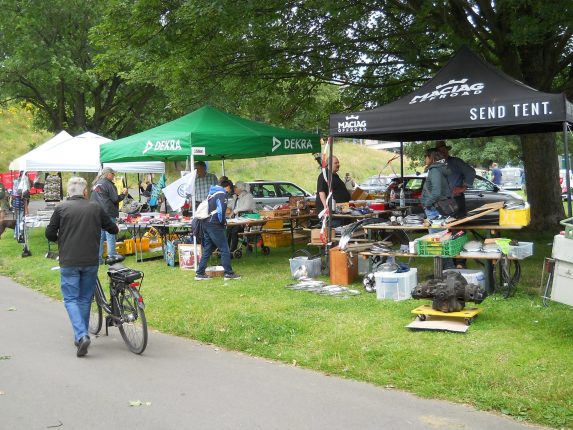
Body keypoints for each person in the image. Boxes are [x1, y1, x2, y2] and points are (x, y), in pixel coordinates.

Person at [45, 176, 119, 357]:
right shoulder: (95, 207)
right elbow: (113, 229)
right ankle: (81, 336)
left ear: (68, 192)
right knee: (85, 299)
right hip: (90, 261)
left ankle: (82, 335)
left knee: (71, 299)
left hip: (69, 260)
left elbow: (49, 233)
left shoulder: (61, 208)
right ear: (85, 192)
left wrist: (61, 239)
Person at [194, 185, 241, 281]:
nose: (230, 191)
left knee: (208, 249)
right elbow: (221, 211)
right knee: (224, 248)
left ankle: (199, 273)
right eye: (230, 189)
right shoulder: (222, 195)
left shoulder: (212, 194)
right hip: (215, 225)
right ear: (227, 187)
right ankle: (228, 273)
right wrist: (223, 222)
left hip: (206, 223)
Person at [421, 148, 455, 270]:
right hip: (438, 208)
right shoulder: (440, 169)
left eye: (426, 156)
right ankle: (447, 271)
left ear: (431, 157)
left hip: (434, 209)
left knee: (437, 243)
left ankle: (444, 272)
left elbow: (436, 192)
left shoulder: (435, 170)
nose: (425, 159)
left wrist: (427, 204)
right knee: (442, 240)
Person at [90, 167, 128, 262]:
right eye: (113, 174)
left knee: (100, 236)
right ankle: (112, 256)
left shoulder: (96, 184)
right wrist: (123, 194)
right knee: (111, 233)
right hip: (108, 212)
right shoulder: (108, 184)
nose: (114, 176)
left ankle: (98, 258)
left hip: (96, 212)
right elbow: (115, 199)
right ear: (108, 174)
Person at [435, 141, 476, 218]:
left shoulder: (456, 162)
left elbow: (471, 172)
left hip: (456, 199)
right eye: (440, 151)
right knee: (446, 225)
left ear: (447, 151)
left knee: (458, 225)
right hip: (442, 200)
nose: (442, 153)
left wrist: (464, 187)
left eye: (444, 150)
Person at [315, 156, 351, 227]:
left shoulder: (335, 176)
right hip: (331, 212)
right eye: (336, 163)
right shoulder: (324, 175)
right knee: (335, 228)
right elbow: (321, 192)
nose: (338, 164)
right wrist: (326, 207)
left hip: (340, 209)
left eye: (338, 163)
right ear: (330, 164)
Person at [226, 181, 256, 253]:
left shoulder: (248, 196)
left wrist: (235, 211)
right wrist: (227, 208)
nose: (234, 188)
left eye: (235, 187)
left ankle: (232, 251)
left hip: (246, 220)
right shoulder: (236, 197)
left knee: (234, 231)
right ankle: (226, 250)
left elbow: (247, 207)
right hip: (236, 220)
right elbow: (230, 205)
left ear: (240, 188)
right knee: (228, 230)